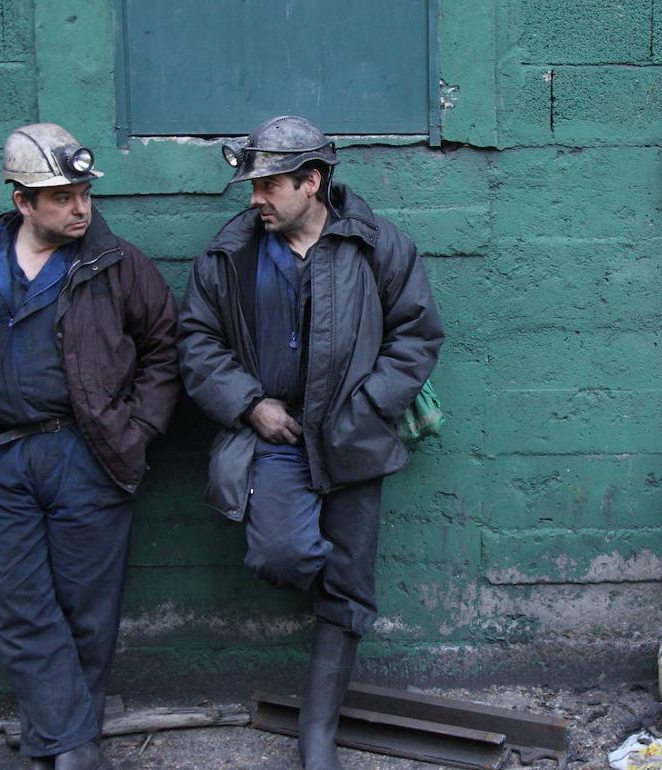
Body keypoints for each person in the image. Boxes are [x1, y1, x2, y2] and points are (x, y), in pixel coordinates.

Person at [0, 123, 181, 770]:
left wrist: (137, 429)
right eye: (61, 196)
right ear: (22, 201)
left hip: (88, 455)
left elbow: (165, 349)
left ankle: (54, 744)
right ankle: (73, 744)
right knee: (19, 607)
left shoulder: (117, 265)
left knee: (88, 609)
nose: (80, 207)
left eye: (84, 192)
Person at [177, 115, 444, 770]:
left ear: (312, 182)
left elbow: (417, 334)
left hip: (355, 435)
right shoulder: (229, 254)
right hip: (278, 434)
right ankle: (337, 594)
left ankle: (317, 733)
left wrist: (371, 404)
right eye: (253, 186)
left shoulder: (378, 245)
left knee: (350, 584)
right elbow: (196, 342)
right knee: (280, 554)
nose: (255, 199)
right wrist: (250, 405)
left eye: (269, 186)